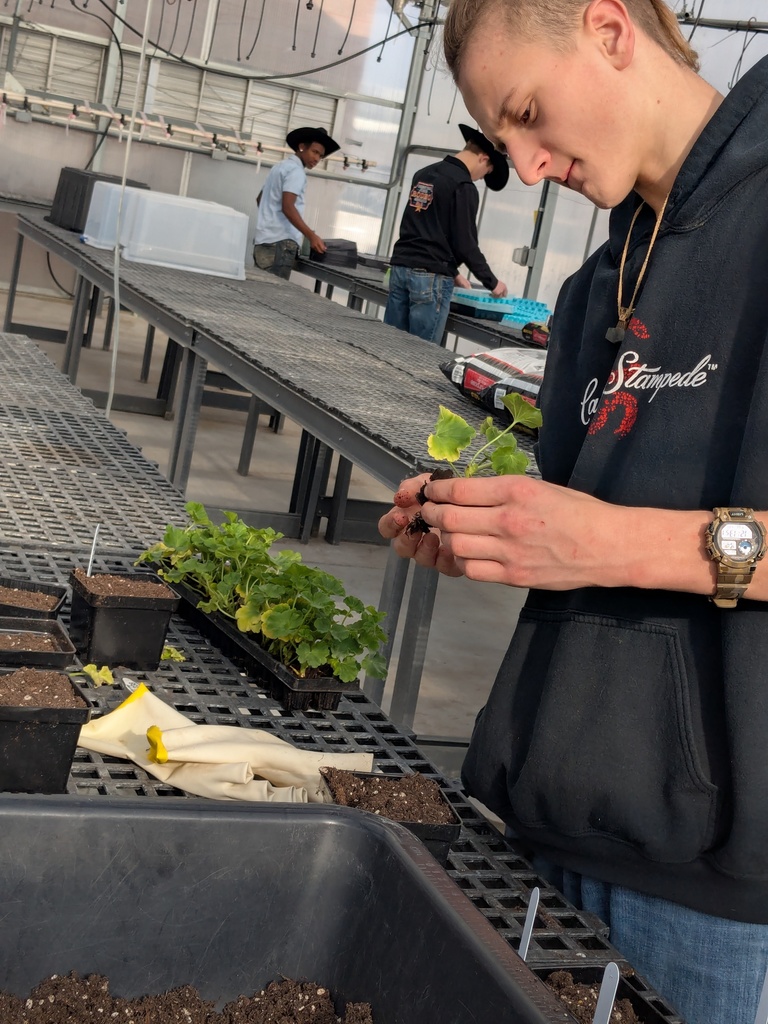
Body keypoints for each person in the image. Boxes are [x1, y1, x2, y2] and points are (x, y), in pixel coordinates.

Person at [378, 1, 768, 1021]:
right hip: (550, 818)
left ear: (606, 28)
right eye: (504, 141)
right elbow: (595, 543)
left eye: (526, 113)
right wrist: (497, 535)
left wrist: (611, 539)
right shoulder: (605, 279)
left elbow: (636, 542)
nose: (528, 162)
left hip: (705, 884)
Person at [383, 124, 509, 343]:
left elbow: (427, 228)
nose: (480, 178)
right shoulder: (463, 185)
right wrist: (493, 282)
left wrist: (453, 272)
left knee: (391, 347)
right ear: (483, 158)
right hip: (430, 281)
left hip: (400, 270)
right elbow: (465, 243)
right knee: (419, 355)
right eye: (486, 172)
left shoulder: (423, 174)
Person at [252, 125, 339, 279]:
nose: (317, 159)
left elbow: (260, 199)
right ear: (301, 147)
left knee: (259, 294)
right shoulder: (296, 172)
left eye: (321, 156)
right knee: (274, 295)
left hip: (263, 241)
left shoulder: (279, 167)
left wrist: (271, 221)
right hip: (280, 243)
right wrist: (311, 236)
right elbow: (288, 206)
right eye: (315, 152)